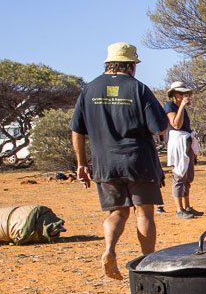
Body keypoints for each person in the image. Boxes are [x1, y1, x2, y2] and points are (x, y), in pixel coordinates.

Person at [70, 42, 169, 280]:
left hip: (105, 162)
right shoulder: (138, 88)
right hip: (139, 161)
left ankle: (109, 250)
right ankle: (147, 264)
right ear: (132, 66)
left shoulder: (89, 89)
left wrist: (82, 164)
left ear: (108, 63)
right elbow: (160, 127)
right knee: (144, 213)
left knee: (116, 212)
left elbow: (77, 130)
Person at [163, 81, 201, 219]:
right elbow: (176, 124)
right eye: (180, 93)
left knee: (187, 176)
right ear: (173, 94)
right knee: (179, 175)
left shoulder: (181, 108)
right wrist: (182, 106)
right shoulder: (170, 106)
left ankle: (187, 207)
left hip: (186, 141)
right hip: (178, 142)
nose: (184, 96)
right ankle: (179, 209)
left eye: (185, 93)